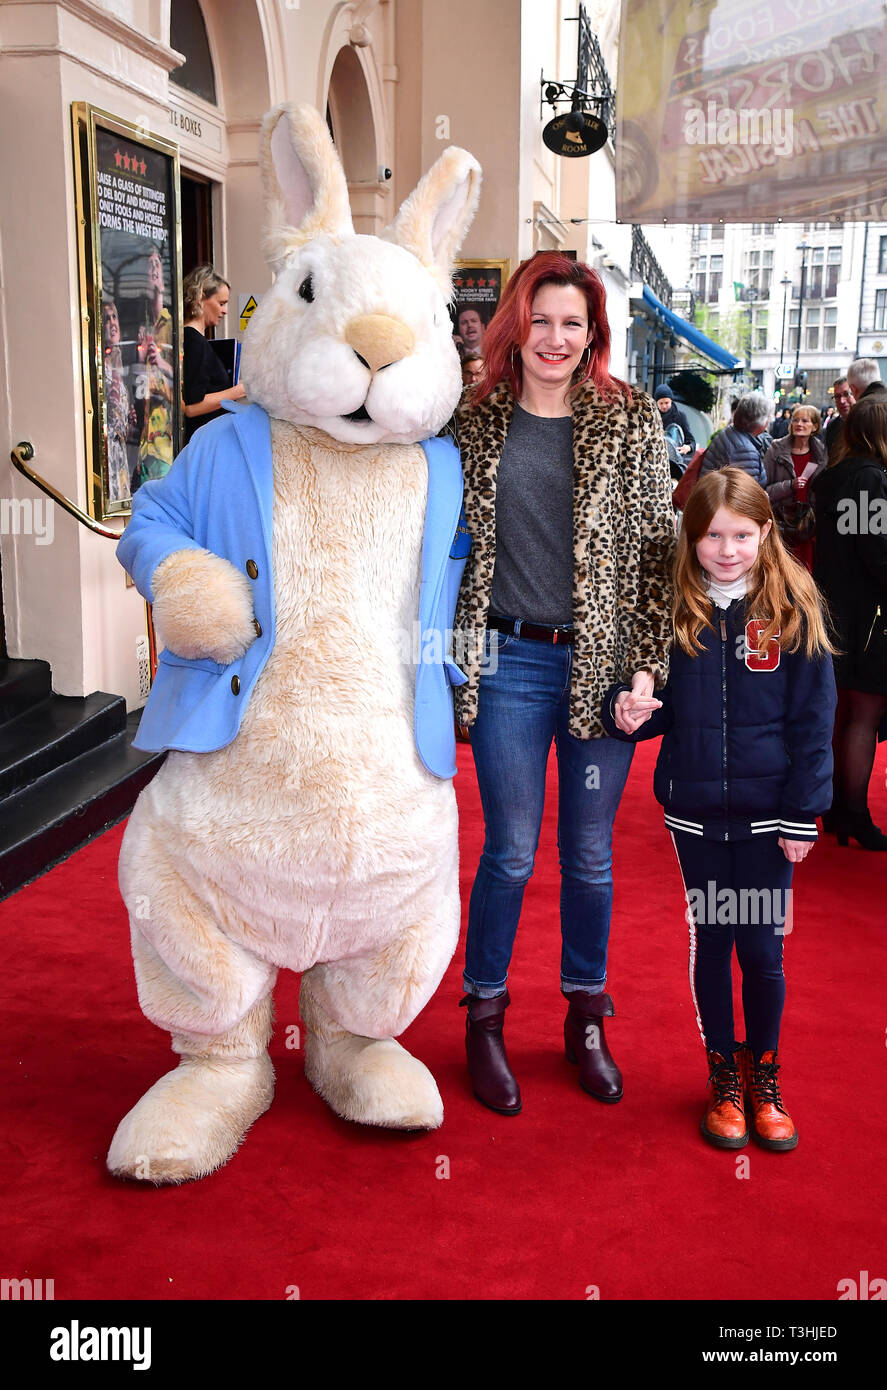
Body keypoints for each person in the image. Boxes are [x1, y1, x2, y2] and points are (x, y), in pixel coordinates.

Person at [452, 251, 675, 1115]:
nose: (554, 338)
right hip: (508, 664)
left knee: (588, 855)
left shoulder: (626, 421)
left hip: (601, 667)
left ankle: (585, 1017)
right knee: (508, 852)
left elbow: (658, 554)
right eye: (540, 320)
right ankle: (485, 1014)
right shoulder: (471, 422)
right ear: (517, 324)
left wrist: (647, 668)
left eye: (571, 324)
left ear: (593, 336)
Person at [602, 467, 836, 1151]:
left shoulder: (793, 609)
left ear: (766, 531)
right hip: (695, 813)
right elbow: (659, 713)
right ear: (690, 536)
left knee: (761, 953)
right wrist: (631, 711)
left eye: (740, 534)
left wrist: (803, 812)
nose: (726, 550)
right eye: (710, 536)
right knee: (713, 943)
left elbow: (812, 721)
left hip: (769, 818)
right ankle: (721, 1080)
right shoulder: (673, 609)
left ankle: (762, 1076)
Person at [813, 393, 887, 849]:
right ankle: (852, 813)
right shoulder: (868, 480)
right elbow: (876, 551)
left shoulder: (835, 476)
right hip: (866, 616)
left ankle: (843, 810)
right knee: (864, 714)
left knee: (847, 715)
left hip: (837, 608)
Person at [182, 265, 246, 444]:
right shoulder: (193, 342)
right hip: (202, 444)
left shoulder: (195, 340)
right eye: (221, 303)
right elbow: (192, 406)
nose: (225, 311)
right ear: (201, 298)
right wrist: (239, 390)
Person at [762, 404, 826, 571]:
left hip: (807, 527)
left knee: (805, 572)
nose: (799, 424)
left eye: (805, 421)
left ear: (815, 426)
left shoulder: (821, 454)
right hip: (782, 524)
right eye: (796, 420)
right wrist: (790, 486)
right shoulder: (775, 450)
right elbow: (762, 491)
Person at [132, 245, 175, 493]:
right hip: (145, 444)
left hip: (165, 444)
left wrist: (160, 363)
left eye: (158, 265)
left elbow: (182, 379)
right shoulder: (145, 327)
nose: (155, 271)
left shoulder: (171, 325)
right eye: (149, 267)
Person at [699, 391, 773, 486]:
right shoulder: (744, 450)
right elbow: (747, 495)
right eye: (768, 417)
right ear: (760, 422)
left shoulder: (729, 432)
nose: (768, 421)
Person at [101, 296, 133, 506]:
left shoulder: (118, 364)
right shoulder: (99, 368)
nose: (113, 323)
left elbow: (122, 426)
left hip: (120, 455)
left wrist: (128, 417)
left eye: (115, 317)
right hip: (106, 456)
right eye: (107, 318)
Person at [654, 383, 696, 456]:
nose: (664, 406)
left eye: (667, 403)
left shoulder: (680, 416)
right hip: (655, 459)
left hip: (674, 460)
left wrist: (688, 447)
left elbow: (691, 441)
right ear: (656, 403)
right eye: (661, 403)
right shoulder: (652, 417)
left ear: (671, 401)